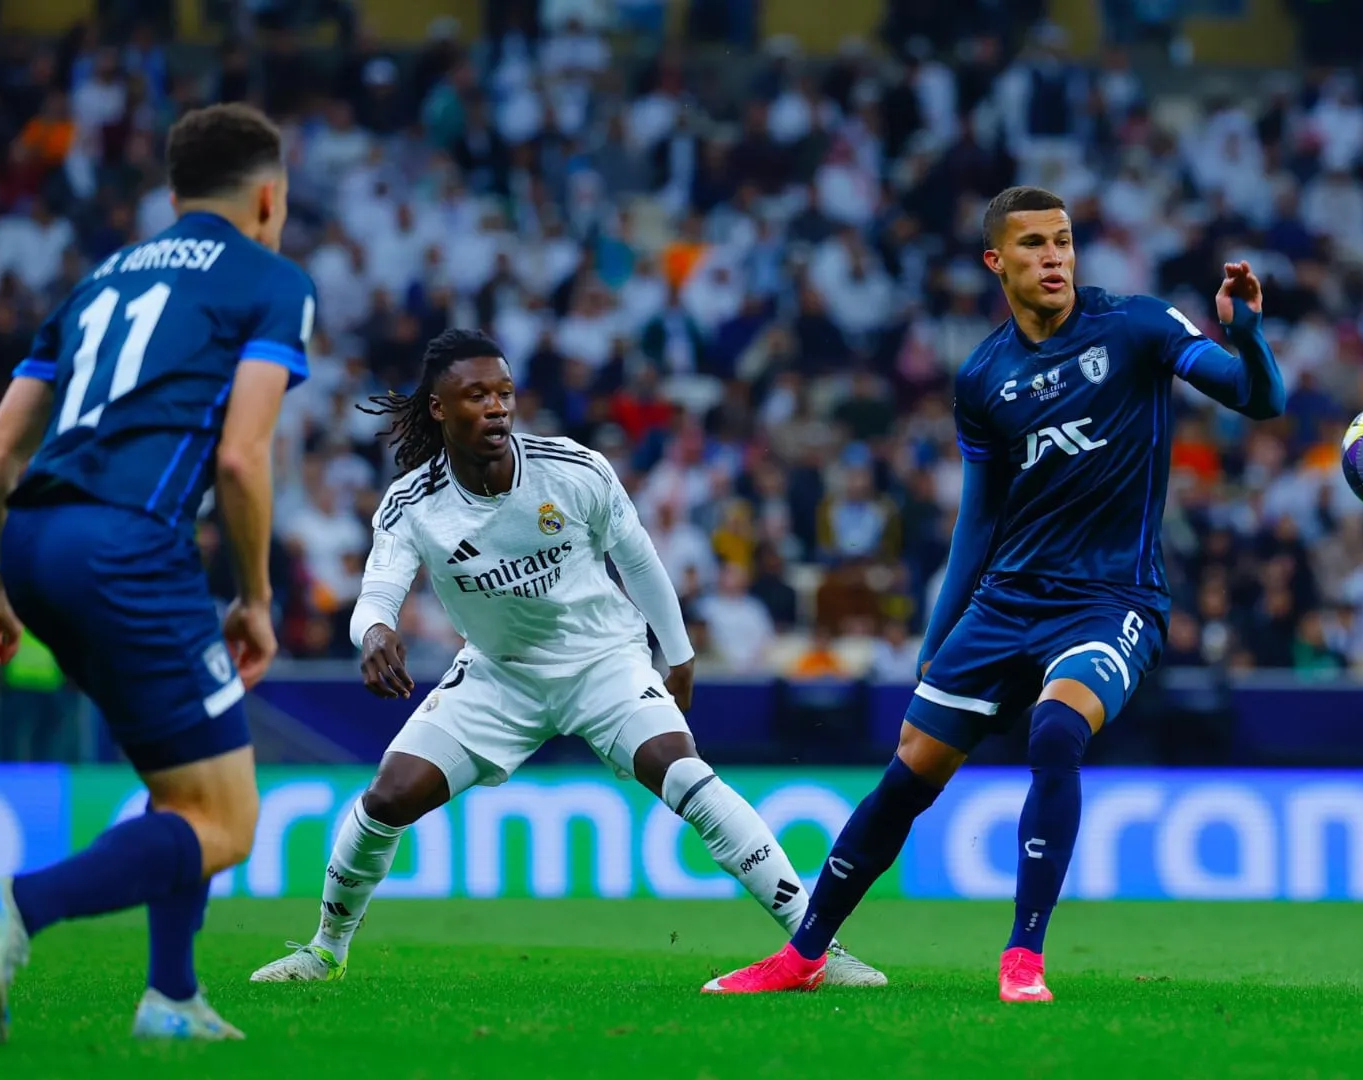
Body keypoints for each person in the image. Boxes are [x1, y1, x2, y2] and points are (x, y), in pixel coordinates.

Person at [705, 185, 1284, 1001]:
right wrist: (938, 642)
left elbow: (1262, 400)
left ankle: (1024, 958)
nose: (1055, 258)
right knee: (908, 775)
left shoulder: (1138, 326)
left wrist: (1250, 339)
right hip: (1006, 603)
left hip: (1109, 600)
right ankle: (803, 957)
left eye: (1065, 242)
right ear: (996, 261)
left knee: (1055, 732)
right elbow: (977, 523)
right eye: (1035, 245)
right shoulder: (984, 376)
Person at [248, 329, 883, 989]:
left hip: (603, 661)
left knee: (684, 774)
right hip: (500, 675)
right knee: (387, 797)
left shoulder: (572, 468)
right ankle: (324, 953)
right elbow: (376, 593)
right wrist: (375, 632)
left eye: (504, 393)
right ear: (439, 408)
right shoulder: (414, 503)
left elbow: (636, 557)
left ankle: (817, 951)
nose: (496, 407)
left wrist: (680, 651)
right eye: (477, 395)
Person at [0, 103, 316, 1042]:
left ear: (173, 197)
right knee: (229, 822)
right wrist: (254, 597)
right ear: (269, 197)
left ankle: (172, 996)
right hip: (127, 548)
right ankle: (13, 904)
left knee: (181, 793)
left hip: (33, 544)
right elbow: (244, 460)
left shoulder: (95, 282)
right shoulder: (271, 280)